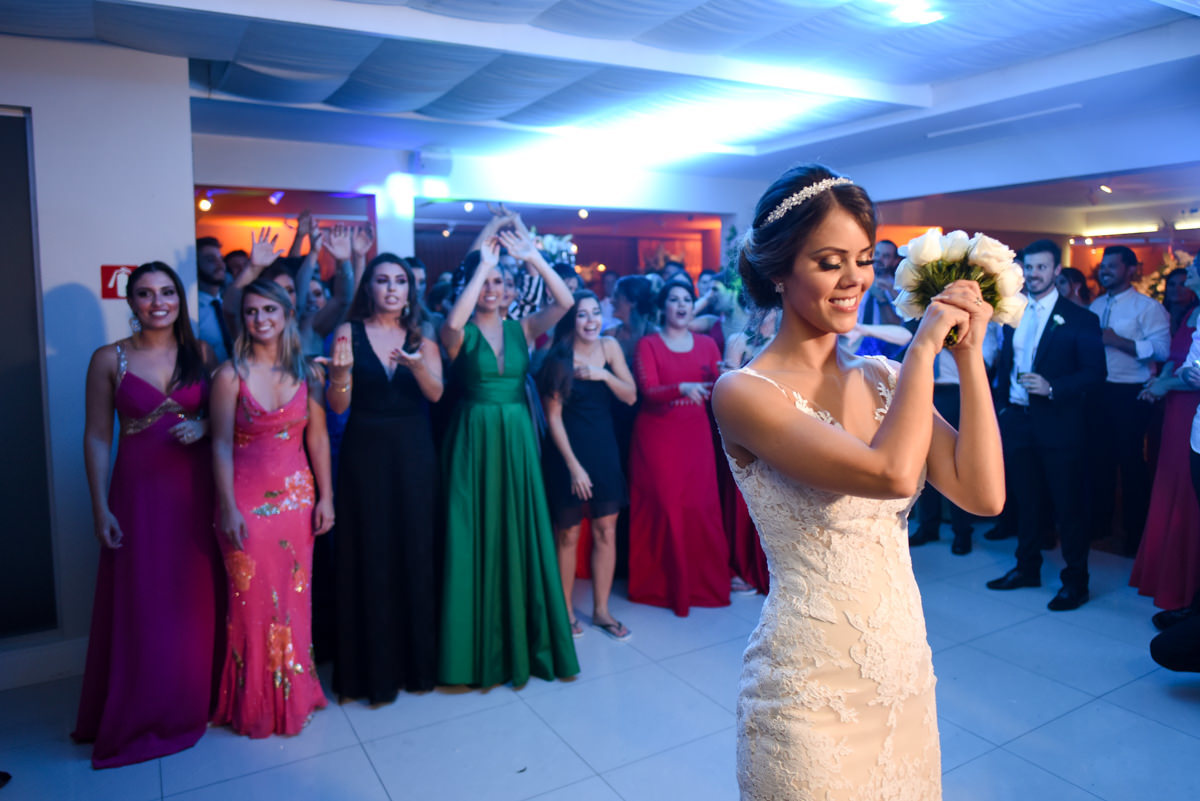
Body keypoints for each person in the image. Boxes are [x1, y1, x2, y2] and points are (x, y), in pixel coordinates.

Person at [713, 164, 1005, 799]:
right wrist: (922, 349)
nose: (854, 281)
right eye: (829, 261)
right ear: (776, 271)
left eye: (865, 259)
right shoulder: (744, 393)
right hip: (809, 690)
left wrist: (965, 357)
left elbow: (983, 495)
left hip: (902, 666)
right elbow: (891, 473)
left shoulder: (883, 378)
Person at [73, 262, 223, 768]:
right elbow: (97, 435)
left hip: (194, 490)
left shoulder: (200, 353)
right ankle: (142, 711)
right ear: (130, 301)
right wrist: (100, 506)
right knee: (144, 602)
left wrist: (203, 425)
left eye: (167, 293)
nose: (157, 302)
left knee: (194, 600)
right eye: (144, 294)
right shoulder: (108, 359)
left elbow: (227, 413)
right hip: (137, 492)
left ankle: (193, 703)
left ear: (180, 299)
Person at [439, 222, 580, 687]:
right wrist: (484, 264)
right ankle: (473, 650)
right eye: (486, 284)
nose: (493, 290)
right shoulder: (459, 332)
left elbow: (565, 303)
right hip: (474, 437)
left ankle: (527, 642)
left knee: (517, 531)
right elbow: (454, 325)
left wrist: (532, 256)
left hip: (517, 437)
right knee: (475, 532)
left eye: (500, 283)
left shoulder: (523, 328)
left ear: (511, 289)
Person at [210, 279, 332, 737]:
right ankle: (255, 703)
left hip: (297, 501)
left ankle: (295, 694)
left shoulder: (307, 372)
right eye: (251, 312)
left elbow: (317, 438)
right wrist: (226, 507)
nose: (260, 320)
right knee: (251, 605)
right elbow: (219, 445)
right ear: (242, 318)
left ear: (286, 315)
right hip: (244, 500)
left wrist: (327, 496)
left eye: (269, 311)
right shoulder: (229, 375)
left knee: (295, 602)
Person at [326, 254, 443, 703]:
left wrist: (416, 366)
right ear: (369, 288)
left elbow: (436, 394)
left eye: (401, 282)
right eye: (383, 281)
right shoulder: (347, 332)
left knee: (414, 550)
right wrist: (338, 377)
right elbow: (338, 406)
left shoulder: (420, 335)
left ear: (410, 291)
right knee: (370, 553)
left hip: (414, 454)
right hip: (366, 453)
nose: (392, 289)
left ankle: (416, 665)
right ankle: (369, 673)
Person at [987, 239, 1106, 610]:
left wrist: (1054, 387)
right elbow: (1005, 365)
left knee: (1067, 505)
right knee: (1026, 500)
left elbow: (1095, 373)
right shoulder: (1012, 314)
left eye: (1042, 267)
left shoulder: (1080, 319)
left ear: (1056, 271)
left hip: (1059, 425)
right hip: (1018, 422)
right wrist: (1004, 408)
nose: (1034, 274)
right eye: (1029, 267)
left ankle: (1076, 582)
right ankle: (1027, 568)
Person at [539, 291, 637, 640]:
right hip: (567, 452)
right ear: (571, 320)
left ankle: (601, 612)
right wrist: (574, 466)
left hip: (603, 449)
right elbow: (553, 419)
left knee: (606, 531)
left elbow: (630, 395)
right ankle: (564, 612)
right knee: (567, 534)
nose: (591, 320)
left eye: (596, 313)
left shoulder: (610, 348)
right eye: (582, 315)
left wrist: (603, 375)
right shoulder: (558, 359)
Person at [628, 279, 729, 616]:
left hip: (696, 436)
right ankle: (660, 587)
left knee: (699, 509)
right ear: (663, 306)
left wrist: (731, 378)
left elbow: (717, 390)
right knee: (667, 507)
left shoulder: (708, 345)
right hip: (658, 437)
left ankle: (703, 586)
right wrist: (681, 387)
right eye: (674, 299)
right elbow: (649, 391)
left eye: (687, 299)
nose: (682, 305)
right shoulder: (649, 344)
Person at [1089, 245, 1171, 554]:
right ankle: (1100, 528)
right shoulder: (1095, 305)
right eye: (1103, 266)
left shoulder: (1146, 307)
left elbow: (1163, 350)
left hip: (1130, 393)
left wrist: (1119, 342)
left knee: (1131, 465)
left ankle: (1135, 537)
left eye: (1112, 265)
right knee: (1099, 463)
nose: (1105, 270)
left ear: (1130, 269)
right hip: (1098, 392)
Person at [1132, 263, 1200, 610]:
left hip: (1192, 408)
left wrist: (1163, 384)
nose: (1186, 275)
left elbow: (1197, 374)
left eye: (1193, 270)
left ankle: (1187, 591)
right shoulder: (1191, 311)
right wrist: (1158, 385)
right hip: (1175, 408)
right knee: (1169, 484)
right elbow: (1179, 361)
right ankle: (1167, 580)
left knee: (1189, 491)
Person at [196, 237, 233, 363]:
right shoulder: (192, 311)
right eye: (211, 260)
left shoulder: (229, 304)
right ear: (196, 265)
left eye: (221, 259)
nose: (220, 265)